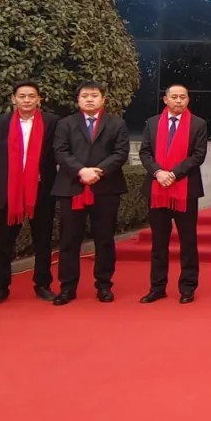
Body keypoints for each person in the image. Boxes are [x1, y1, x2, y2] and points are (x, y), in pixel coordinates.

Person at [51, 81, 130, 305]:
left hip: (106, 188)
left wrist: (98, 171)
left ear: (103, 99)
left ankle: (104, 286)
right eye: (84, 95)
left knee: (104, 239)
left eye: (94, 95)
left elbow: (120, 153)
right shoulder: (65, 123)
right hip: (72, 187)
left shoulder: (116, 123)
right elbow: (60, 151)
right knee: (69, 240)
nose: (89, 99)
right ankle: (67, 288)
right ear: (78, 100)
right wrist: (81, 171)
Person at [0, 81, 60, 307]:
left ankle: (43, 285)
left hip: (41, 190)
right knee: (4, 243)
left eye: (31, 96)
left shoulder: (52, 122)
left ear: (39, 99)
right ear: (13, 99)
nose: (27, 100)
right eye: (22, 96)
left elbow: (55, 154)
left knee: (43, 242)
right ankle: (0, 288)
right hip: (10, 191)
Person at [138, 85, 209, 305]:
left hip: (185, 190)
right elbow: (145, 152)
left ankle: (187, 287)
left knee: (188, 241)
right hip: (157, 189)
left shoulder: (198, 124)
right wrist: (158, 173)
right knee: (159, 242)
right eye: (174, 97)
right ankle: (157, 287)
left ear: (188, 100)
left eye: (182, 97)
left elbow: (198, 155)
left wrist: (174, 174)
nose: (178, 101)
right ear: (165, 99)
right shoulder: (152, 123)